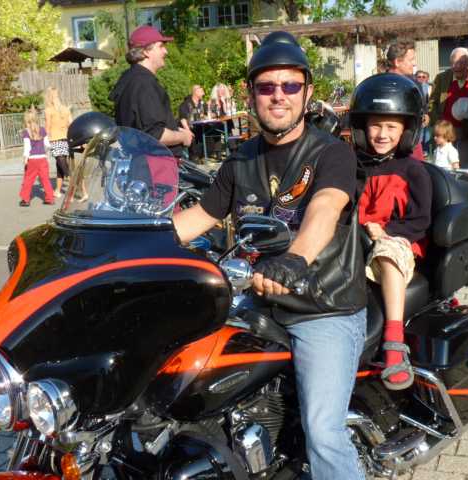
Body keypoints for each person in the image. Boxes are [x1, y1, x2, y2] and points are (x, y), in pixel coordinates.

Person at [173, 31, 367, 480]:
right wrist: (128, 243)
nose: (279, 95)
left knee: (323, 432)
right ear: (251, 94)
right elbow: (199, 216)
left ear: (307, 92)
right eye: (267, 86)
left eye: (290, 85)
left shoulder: (331, 153)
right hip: (256, 299)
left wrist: (295, 259)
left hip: (321, 306)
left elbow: (325, 209)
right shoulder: (241, 160)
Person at [350, 73, 432, 390]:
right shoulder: (353, 166)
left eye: (391, 127)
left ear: (406, 131)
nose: (382, 134)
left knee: (386, 254)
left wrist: (384, 231)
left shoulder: (413, 171)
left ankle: (394, 344)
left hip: (399, 244)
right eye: (375, 125)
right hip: (355, 241)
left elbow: (420, 220)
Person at [109, 25, 193, 158]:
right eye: (161, 46)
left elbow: (141, 127)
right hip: (155, 164)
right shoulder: (144, 83)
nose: (166, 51)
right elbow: (155, 134)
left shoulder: (130, 78)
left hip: (140, 162)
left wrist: (175, 129)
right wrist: (183, 137)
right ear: (146, 51)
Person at [430, 47, 468, 169]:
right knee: (444, 164)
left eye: (461, 63)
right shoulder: (442, 78)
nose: (457, 66)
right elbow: (432, 103)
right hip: (446, 131)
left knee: (466, 164)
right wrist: (437, 123)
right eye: (454, 63)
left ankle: (465, 181)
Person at [386, 40, 427, 161]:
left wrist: (425, 117)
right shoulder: (380, 84)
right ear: (397, 62)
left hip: (412, 144)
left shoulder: (415, 85)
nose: (414, 63)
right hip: (387, 146)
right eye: (411, 59)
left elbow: (423, 111)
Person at [19, 107, 54, 207]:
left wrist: (25, 159)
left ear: (27, 121)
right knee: (45, 179)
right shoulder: (42, 130)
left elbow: (27, 147)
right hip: (42, 158)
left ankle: (25, 199)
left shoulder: (26, 132)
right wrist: (45, 153)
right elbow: (47, 145)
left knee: (28, 179)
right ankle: (50, 198)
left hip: (32, 159)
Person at [44, 87, 73, 199]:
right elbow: (71, 123)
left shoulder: (48, 110)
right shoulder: (66, 109)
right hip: (65, 138)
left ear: (49, 97)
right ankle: (57, 190)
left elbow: (47, 126)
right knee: (60, 164)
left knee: (61, 163)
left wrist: (44, 141)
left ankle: (72, 181)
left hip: (54, 139)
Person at [416, 70, 431, 156]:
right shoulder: (415, 87)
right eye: (419, 77)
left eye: (423, 77)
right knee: (421, 133)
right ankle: (421, 151)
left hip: (429, 113)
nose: (421, 78)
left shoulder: (429, 88)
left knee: (427, 133)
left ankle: (426, 151)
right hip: (419, 113)